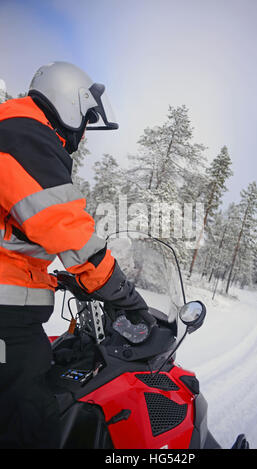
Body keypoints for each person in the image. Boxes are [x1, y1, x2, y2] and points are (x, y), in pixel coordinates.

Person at [0, 61, 152, 448]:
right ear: (68, 102)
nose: (83, 135)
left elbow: (18, 235)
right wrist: (121, 292)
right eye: (85, 120)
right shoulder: (25, 137)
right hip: (6, 318)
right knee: (31, 405)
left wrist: (58, 277)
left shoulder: (13, 128)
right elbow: (67, 228)